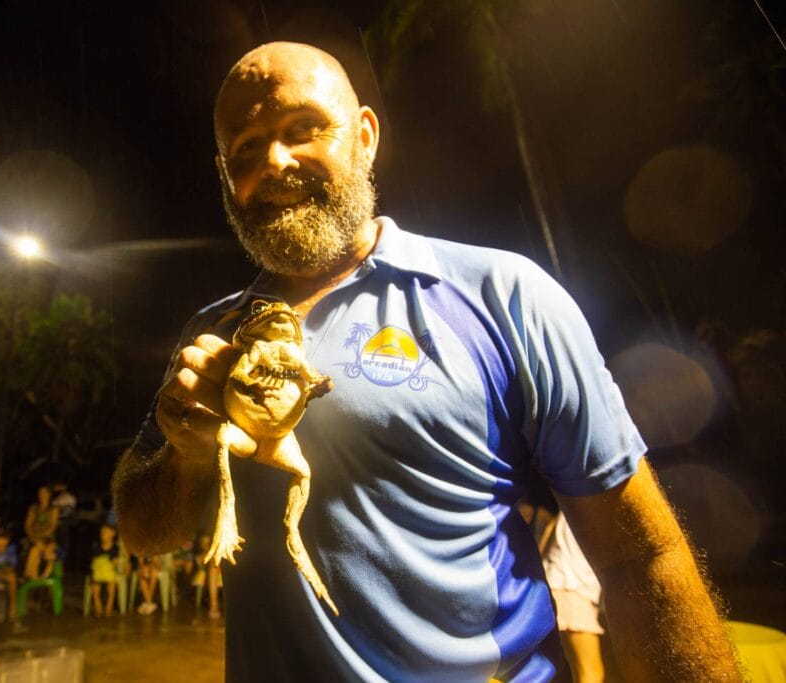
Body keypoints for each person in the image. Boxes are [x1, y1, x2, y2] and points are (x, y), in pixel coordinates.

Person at [112, 42, 742, 681]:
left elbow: (642, 558)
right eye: (244, 148)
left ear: (364, 136)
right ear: (226, 177)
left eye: (303, 128)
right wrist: (185, 451)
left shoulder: (501, 295)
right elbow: (144, 532)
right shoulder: (211, 332)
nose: (274, 161)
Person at [541, 512, 607, 682]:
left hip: (552, 581)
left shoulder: (571, 506)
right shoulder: (602, 503)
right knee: (591, 672)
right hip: (571, 587)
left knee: (548, 667)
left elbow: (548, 531)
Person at [23, 485, 58, 580]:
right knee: (35, 549)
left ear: (49, 495)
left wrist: (41, 536)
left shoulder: (53, 509)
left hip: (47, 537)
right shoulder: (34, 508)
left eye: (44, 493)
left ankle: (33, 575)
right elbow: (28, 524)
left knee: (40, 549)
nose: (42, 495)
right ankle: (32, 575)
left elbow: (53, 526)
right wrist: (32, 535)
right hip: (34, 536)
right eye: (40, 493)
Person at [89, 523, 119, 617]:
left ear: (112, 534)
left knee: (111, 587)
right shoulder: (96, 547)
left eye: (105, 532)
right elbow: (93, 562)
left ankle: (108, 609)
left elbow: (115, 563)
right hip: (98, 574)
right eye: (102, 532)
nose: (103, 534)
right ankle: (98, 609)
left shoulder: (115, 548)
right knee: (95, 588)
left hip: (109, 574)